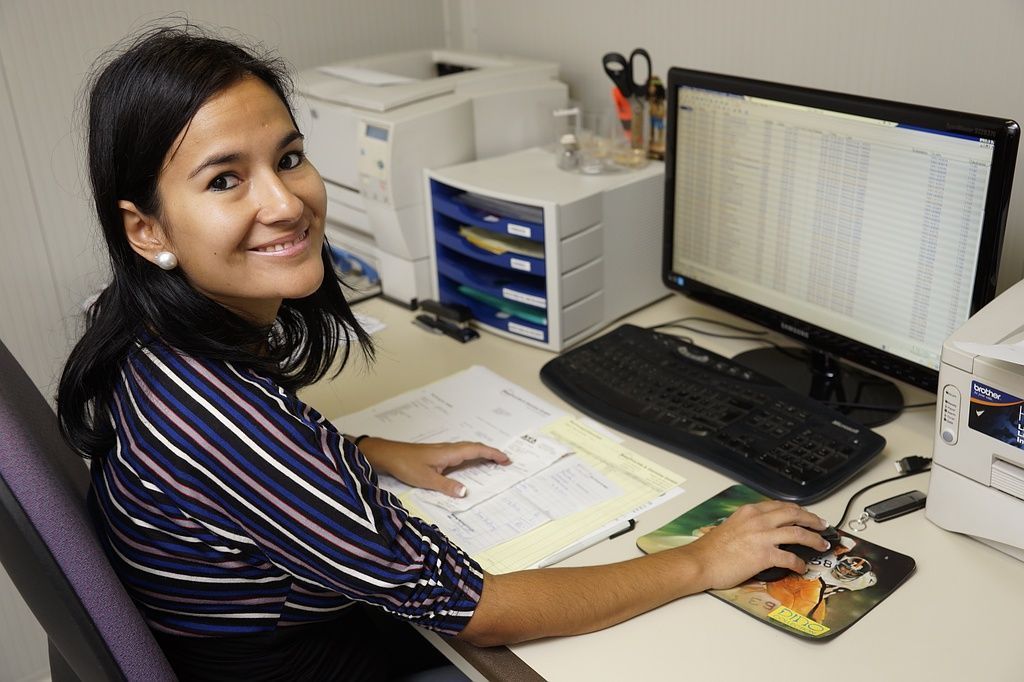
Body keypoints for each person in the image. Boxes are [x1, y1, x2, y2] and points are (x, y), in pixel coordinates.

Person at [56, 24, 831, 681]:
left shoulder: (151, 340)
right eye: (227, 179)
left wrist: (360, 452)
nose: (286, 202)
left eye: (288, 157)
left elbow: (240, 478)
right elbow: (479, 612)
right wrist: (700, 561)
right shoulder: (223, 417)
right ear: (146, 228)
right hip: (278, 658)